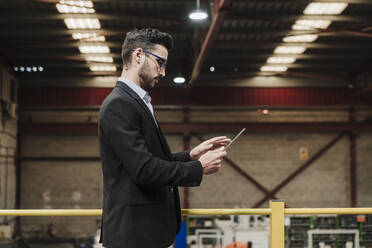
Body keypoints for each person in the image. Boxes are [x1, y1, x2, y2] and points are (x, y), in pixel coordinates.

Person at [98, 28, 229, 248]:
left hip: (146, 234)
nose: (163, 72)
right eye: (160, 62)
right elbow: (144, 170)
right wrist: (198, 167)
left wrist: (190, 155)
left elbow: (150, 159)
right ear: (138, 55)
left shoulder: (136, 102)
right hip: (134, 236)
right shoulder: (119, 105)